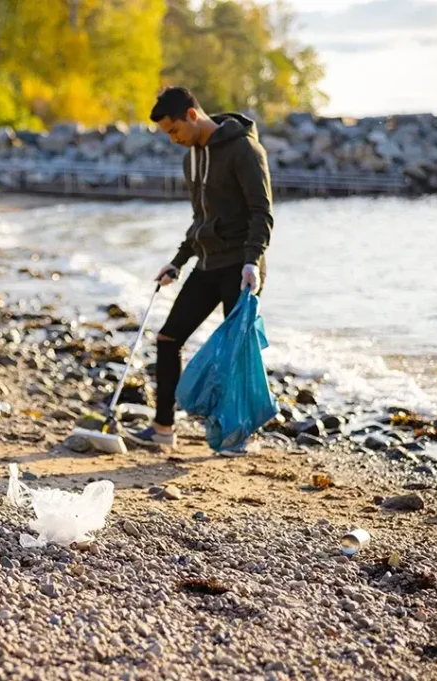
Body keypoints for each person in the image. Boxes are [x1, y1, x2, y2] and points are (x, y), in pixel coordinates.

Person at [136, 87, 273, 451]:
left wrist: (252, 261)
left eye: (174, 130)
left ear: (192, 116)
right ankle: (163, 428)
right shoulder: (192, 160)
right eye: (168, 134)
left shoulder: (245, 150)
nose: (173, 139)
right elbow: (201, 220)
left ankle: (241, 434)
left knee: (238, 352)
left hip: (242, 266)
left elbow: (262, 213)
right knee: (168, 339)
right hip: (208, 263)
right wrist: (178, 262)